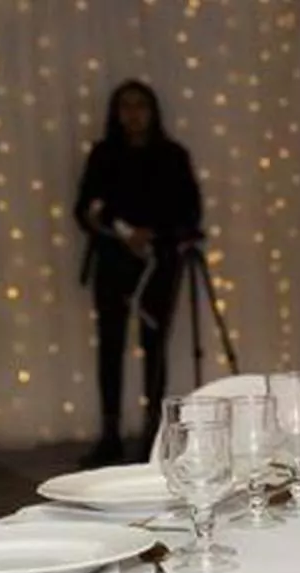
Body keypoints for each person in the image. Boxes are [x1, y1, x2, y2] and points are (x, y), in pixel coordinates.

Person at [73, 80, 202, 467]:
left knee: (155, 346)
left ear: (153, 110)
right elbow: (84, 209)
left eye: (141, 105)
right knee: (110, 346)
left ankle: (153, 434)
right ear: (116, 112)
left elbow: (190, 212)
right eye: (126, 106)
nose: (133, 114)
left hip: (159, 263)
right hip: (113, 261)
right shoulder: (103, 155)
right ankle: (110, 434)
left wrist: (154, 235)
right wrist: (119, 233)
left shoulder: (172, 156)